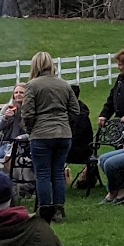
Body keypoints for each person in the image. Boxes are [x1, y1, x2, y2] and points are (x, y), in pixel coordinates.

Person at [20, 52, 76, 223]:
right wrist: (65, 124)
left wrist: (30, 130)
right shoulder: (64, 85)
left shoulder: (32, 85)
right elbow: (75, 110)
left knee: (43, 174)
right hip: (63, 133)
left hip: (41, 134)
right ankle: (59, 210)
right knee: (58, 172)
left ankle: (45, 210)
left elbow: (27, 113)